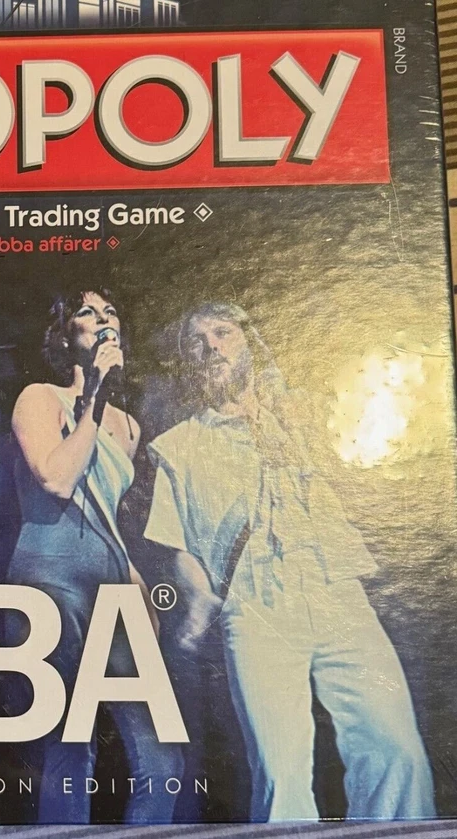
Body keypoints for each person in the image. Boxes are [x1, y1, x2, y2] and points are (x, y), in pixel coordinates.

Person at [144, 301, 435, 821]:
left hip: (336, 590)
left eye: (223, 332)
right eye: (197, 342)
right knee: (281, 775)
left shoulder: (306, 418)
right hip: (256, 609)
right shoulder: (177, 446)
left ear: (250, 343)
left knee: (398, 751)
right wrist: (198, 597)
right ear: (188, 364)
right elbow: (177, 544)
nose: (211, 347)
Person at [6, 287, 183, 824]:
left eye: (111, 312)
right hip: (49, 578)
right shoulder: (39, 397)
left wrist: (135, 581)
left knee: (162, 756)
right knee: (69, 747)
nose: (104, 320)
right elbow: (58, 479)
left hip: (112, 585)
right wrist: (95, 397)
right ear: (64, 337)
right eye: (87, 312)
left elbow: (106, 510)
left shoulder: (128, 427)